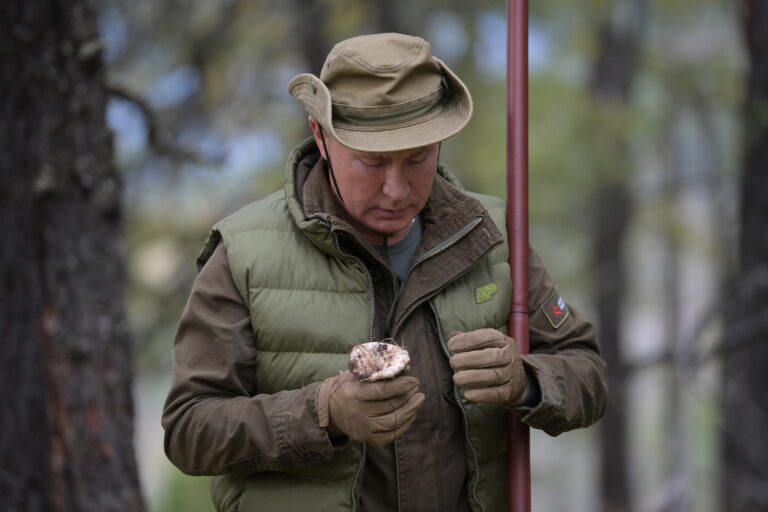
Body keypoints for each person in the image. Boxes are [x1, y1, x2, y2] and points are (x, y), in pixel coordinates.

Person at [162, 33, 607, 512]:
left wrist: (527, 381)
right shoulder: (243, 253)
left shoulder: (494, 236)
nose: (396, 189)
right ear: (320, 136)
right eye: (371, 163)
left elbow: (588, 374)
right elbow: (190, 429)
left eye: (418, 159)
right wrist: (321, 412)